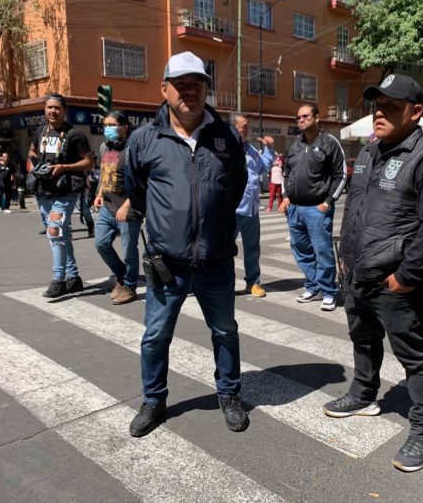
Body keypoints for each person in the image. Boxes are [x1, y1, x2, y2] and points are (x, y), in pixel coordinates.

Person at [324, 74, 423, 473]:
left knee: (413, 356)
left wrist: (408, 276)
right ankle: (364, 394)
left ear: (415, 113)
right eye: (376, 106)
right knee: (362, 339)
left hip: (395, 282)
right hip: (357, 274)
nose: (379, 113)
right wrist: (346, 257)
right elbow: (356, 210)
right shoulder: (368, 152)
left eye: (391, 107)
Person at [126, 51, 248, 437]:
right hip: (167, 264)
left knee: (225, 331)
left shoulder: (227, 137)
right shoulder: (145, 139)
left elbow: (237, 187)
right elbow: (137, 191)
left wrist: (217, 227)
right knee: (155, 335)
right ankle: (153, 401)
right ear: (164, 90)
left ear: (206, 89)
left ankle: (228, 394)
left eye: (197, 85)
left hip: (215, 262)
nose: (189, 92)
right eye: (180, 85)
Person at [278, 103, 347, 312]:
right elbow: (286, 173)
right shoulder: (294, 145)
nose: (301, 120)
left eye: (305, 116)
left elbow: (341, 175)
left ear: (317, 117)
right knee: (301, 252)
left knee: (322, 252)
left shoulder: (330, 142)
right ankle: (313, 285)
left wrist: (327, 202)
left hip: (317, 209)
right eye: (298, 117)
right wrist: (285, 196)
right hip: (295, 209)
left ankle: (328, 292)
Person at [27, 93, 94, 298]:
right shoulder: (40, 131)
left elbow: (89, 162)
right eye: (49, 107)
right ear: (44, 110)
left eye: (56, 108)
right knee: (61, 234)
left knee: (54, 232)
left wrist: (63, 167)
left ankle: (59, 280)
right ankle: (73, 278)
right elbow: (31, 152)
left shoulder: (75, 135)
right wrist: (33, 166)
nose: (52, 111)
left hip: (66, 190)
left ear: (64, 111)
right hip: (43, 190)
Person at [93, 110, 141, 305]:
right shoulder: (105, 147)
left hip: (129, 209)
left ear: (124, 127)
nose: (108, 129)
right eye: (105, 125)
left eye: (112, 125)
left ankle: (129, 286)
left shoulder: (133, 149)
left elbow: (141, 182)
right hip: (108, 206)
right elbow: (105, 173)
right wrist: (99, 194)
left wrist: (127, 205)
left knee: (129, 251)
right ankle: (122, 276)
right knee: (101, 244)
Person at [229, 112, 275, 298]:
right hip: (232, 211)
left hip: (252, 211)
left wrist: (269, 149)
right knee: (225, 250)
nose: (247, 129)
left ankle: (253, 282)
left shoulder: (251, 149)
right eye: (244, 126)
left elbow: (264, 166)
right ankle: (224, 284)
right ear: (233, 127)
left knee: (252, 249)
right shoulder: (226, 149)